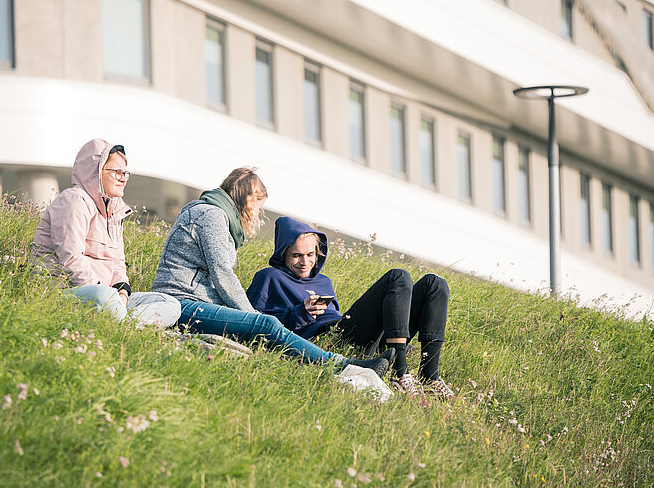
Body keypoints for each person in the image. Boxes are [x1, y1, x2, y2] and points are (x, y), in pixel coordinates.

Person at [150, 167, 390, 377]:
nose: (257, 214)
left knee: (263, 326)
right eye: (258, 206)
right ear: (248, 198)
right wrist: (252, 317)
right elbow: (222, 274)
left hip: (193, 301)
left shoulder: (211, 213)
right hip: (183, 303)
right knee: (266, 325)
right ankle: (344, 366)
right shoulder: (212, 215)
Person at [246, 217, 453, 402]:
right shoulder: (269, 277)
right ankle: (400, 373)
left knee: (435, 284)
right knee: (397, 277)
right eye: (296, 255)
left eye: (310, 254)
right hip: (329, 339)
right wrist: (301, 312)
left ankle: (430, 377)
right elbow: (255, 324)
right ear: (283, 254)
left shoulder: (323, 281)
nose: (305, 262)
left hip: (350, 330)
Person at [31, 139, 180, 327]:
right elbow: (71, 259)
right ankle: (127, 326)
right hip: (69, 292)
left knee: (170, 303)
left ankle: (125, 325)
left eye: (125, 173)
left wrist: (123, 294)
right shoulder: (74, 200)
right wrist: (108, 294)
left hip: (109, 299)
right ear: (95, 171)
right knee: (105, 296)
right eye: (116, 172)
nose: (123, 178)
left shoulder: (115, 211)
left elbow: (118, 263)